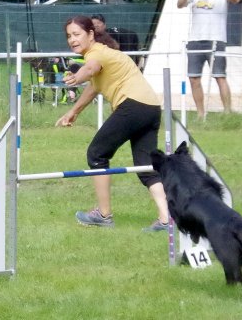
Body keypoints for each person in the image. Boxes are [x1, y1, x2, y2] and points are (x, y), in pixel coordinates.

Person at [55, 15, 169, 232]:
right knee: (145, 165)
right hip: (151, 108)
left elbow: (90, 70)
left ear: (90, 34)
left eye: (77, 34)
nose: (72, 40)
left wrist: (76, 77)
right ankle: (166, 219)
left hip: (133, 106)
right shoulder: (108, 53)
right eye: (69, 36)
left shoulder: (96, 54)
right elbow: (94, 87)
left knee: (97, 154)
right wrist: (74, 111)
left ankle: (104, 215)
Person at [177, 0, 241, 118]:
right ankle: (200, 114)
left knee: (220, 76)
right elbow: (179, 4)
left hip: (216, 39)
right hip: (195, 40)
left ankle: (228, 113)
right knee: (194, 79)